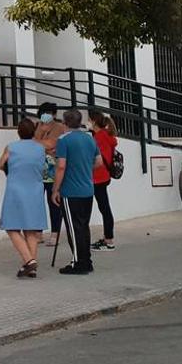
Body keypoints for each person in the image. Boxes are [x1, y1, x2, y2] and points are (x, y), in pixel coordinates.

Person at [52, 110, 103, 276]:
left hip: (70, 190)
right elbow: (99, 162)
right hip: (87, 189)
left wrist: (55, 189)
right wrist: (84, 168)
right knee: (83, 226)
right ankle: (86, 260)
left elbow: (61, 166)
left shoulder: (63, 140)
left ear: (65, 123)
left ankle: (78, 262)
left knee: (73, 228)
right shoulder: (89, 138)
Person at [0, 120, 47, 278]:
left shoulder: (11, 147)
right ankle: (31, 266)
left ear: (19, 132)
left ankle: (29, 261)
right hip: (35, 190)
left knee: (11, 227)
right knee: (30, 229)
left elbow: (0, 164)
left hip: (16, 190)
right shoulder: (41, 148)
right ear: (33, 131)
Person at [33, 102, 68, 247]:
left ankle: (55, 234)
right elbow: (33, 142)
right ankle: (38, 232)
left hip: (53, 170)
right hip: (38, 170)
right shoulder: (38, 126)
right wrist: (41, 135)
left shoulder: (59, 127)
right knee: (36, 202)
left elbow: (51, 144)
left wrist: (43, 145)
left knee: (53, 202)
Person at [88, 111, 119, 252]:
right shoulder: (105, 136)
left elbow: (96, 158)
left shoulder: (99, 137)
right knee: (104, 207)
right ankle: (108, 238)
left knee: (104, 208)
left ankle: (109, 240)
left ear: (94, 122)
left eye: (89, 120)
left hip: (97, 177)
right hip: (104, 176)